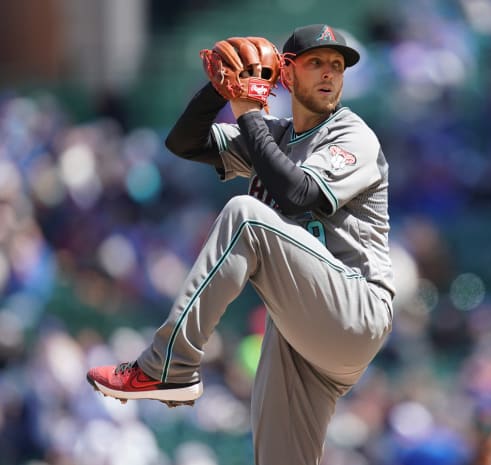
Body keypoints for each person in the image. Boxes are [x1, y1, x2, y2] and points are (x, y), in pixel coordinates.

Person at [87, 24, 394, 465]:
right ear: (286, 75)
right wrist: (219, 88)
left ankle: (168, 365)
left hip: (355, 307)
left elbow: (298, 194)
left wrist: (247, 112)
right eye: (315, 63)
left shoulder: (351, 134)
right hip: (300, 333)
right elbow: (184, 143)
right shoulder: (274, 134)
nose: (329, 73)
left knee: (245, 215)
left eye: (337, 65)